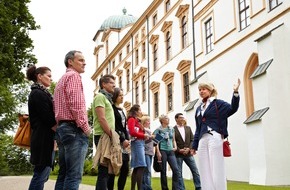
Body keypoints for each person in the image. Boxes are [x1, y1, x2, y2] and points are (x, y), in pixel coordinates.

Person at [192, 79, 241, 190]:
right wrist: (194, 146)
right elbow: (198, 128)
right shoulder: (199, 108)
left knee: (216, 166)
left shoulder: (218, 104)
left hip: (214, 136)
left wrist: (236, 92)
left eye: (203, 89)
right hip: (202, 139)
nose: (201, 91)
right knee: (204, 167)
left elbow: (233, 108)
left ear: (210, 90)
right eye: (199, 89)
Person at [54, 50, 91, 190]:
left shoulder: (62, 79)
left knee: (64, 174)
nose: (84, 63)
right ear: (70, 61)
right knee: (74, 175)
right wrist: (85, 127)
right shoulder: (74, 76)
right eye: (81, 60)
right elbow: (76, 105)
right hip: (74, 129)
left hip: (63, 129)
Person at [26, 65, 57, 190]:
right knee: (41, 173)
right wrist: (59, 132)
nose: (51, 79)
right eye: (48, 76)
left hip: (46, 138)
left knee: (44, 174)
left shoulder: (42, 93)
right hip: (42, 138)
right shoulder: (37, 93)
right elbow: (48, 118)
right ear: (39, 76)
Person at [92, 74, 116, 190]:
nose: (114, 85)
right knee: (104, 169)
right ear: (103, 84)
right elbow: (101, 118)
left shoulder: (107, 99)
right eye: (111, 83)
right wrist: (112, 135)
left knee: (106, 170)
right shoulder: (100, 97)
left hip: (107, 135)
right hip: (103, 136)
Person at [107, 87, 130, 190]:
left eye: (122, 95)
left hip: (124, 142)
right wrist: (122, 139)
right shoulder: (111, 109)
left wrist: (127, 139)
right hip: (115, 141)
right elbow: (114, 126)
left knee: (125, 168)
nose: (122, 97)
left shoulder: (122, 110)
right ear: (115, 96)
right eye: (120, 95)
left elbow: (124, 126)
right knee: (112, 168)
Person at [174, 113, 201, 190]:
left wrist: (189, 148)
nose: (182, 119)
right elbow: (173, 141)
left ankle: (198, 187)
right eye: (180, 117)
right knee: (179, 173)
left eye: (183, 117)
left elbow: (192, 140)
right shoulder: (173, 129)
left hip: (188, 154)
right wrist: (179, 150)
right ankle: (182, 188)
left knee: (195, 171)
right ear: (176, 119)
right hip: (179, 154)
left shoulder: (188, 128)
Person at [128, 104, 152, 190]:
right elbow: (132, 132)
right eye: (140, 110)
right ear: (136, 111)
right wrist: (143, 135)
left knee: (137, 167)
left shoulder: (137, 121)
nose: (141, 112)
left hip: (140, 142)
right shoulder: (131, 119)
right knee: (141, 165)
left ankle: (133, 188)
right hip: (137, 143)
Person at [153, 114, 181, 190]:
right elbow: (156, 142)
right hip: (163, 150)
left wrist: (175, 146)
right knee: (163, 170)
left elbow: (173, 139)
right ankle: (165, 188)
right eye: (166, 118)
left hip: (171, 151)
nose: (168, 119)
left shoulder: (171, 129)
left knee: (176, 169)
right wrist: (158, 152)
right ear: (162, 120)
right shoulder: (159, 130)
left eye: (168, 118)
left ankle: (175, 188)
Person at [141, 115, 154, 190]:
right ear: (144, 122)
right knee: (147, 171)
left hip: (150, 152)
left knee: (147, 170)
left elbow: (150, 141)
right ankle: (148, 187)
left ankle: (144, 187)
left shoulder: (149, 130)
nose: (149, 122)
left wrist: (155, 140)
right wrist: (151, 138)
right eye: (148, 121)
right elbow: (143, 141)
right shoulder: (144, 130)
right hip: (146, 151)